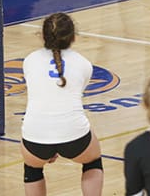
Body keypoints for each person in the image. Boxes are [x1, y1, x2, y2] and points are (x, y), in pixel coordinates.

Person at [21, 13, 103, 196]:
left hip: (35, 136)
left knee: (32, 167)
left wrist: (50, 143)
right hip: (74, 135)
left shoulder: (29, 61)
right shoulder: (84, 64)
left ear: (42, 36)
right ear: (73, 37)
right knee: (93, 161)